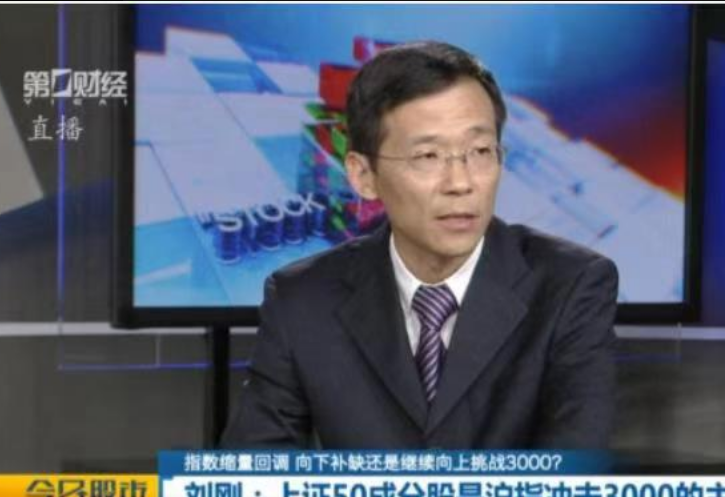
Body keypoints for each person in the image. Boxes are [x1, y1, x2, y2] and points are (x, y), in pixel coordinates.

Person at [222, 41, 618, 449]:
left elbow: (573, 471)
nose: (461, 183)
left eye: (480, 151)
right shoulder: (303, 299)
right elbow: (255, 469)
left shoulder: (570, 287)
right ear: (363, 175)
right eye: (428, 156)